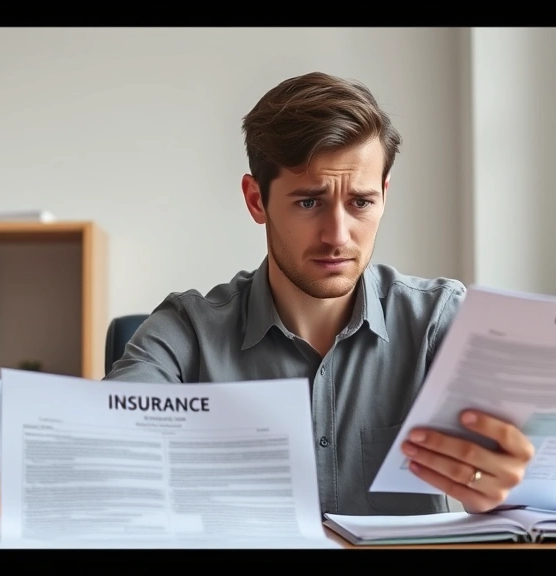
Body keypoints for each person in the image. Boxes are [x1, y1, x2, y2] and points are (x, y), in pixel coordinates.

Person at [105, 71, 534, 517]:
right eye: (309, 202)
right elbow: (102, 452)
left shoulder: (438, 321)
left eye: (360, 202)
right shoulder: (186, 331)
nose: (337, 236)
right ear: (256, 201)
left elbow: (529, 487)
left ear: (384, 195)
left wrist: (508, 490)